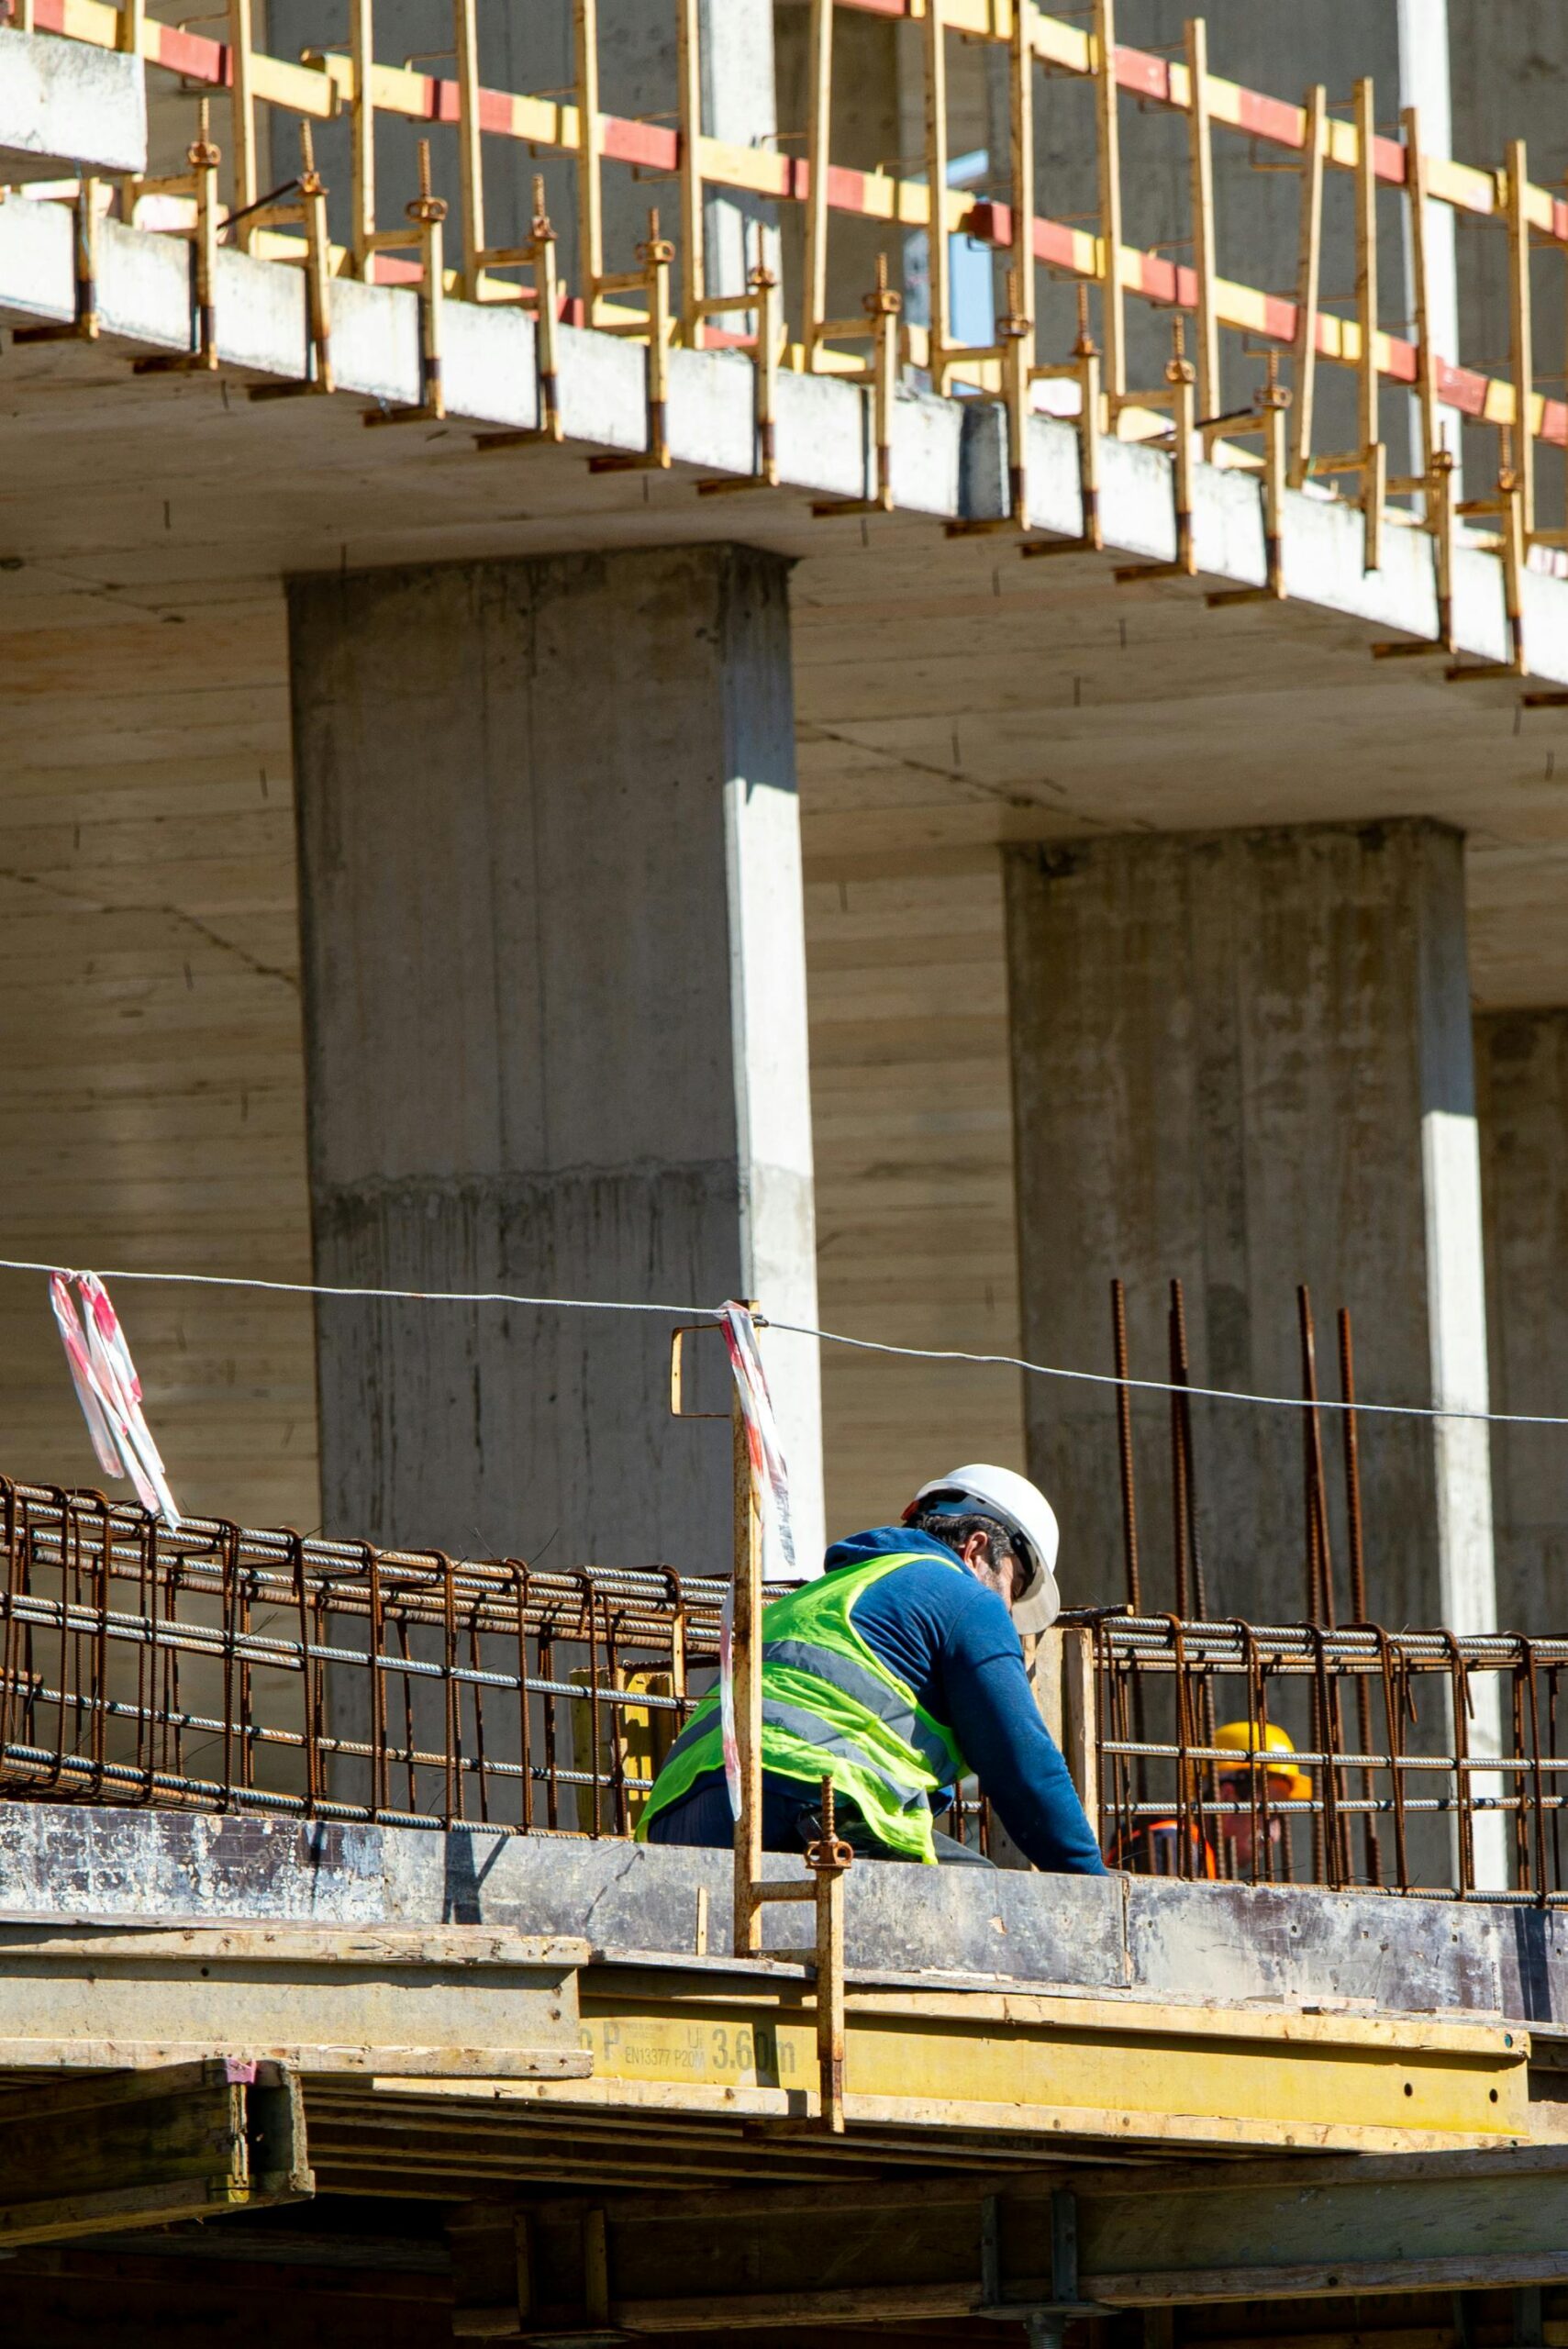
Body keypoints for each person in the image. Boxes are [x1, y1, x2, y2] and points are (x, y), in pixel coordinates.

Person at [639, 1464, 1107, 1874]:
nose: (1007, 1611)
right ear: (976, 1550)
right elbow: (1025, 1767)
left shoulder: (823, 1596)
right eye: (1014, 1583)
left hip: (676, 1821)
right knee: (985, 1902)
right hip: (804, 1798)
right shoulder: (964, 1597)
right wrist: (1091, 1889)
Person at [1105, 1720, 1310, 1877]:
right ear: (1227, 1798)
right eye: (1269, 1815)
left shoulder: (1195, 1851)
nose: (1274, 1835)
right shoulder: (1172, 1845)